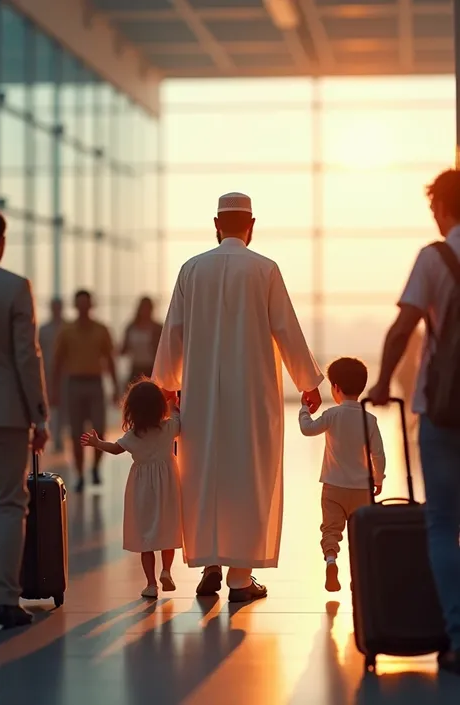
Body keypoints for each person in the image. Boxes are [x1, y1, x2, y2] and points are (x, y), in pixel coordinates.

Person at [152, 192, 323, 603]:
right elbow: (286, 329)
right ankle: (241, 579)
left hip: (202, 399)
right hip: (252, 395)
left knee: (204, 473)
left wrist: (167, 384)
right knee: (249, 477)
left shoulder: (191, 270)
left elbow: (173, 331)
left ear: (216, 224)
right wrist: (308, 382)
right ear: (251, 224)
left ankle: (210, 562)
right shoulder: (264, 270)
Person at [369, 169, 460, 675]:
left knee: (444, 524)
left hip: (445, 410)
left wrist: (382, 383)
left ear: (442, 208)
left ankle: (458, 637)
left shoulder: (435, 257)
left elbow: (403, 325)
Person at [0, 207, 49, 629]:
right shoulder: (13, 287)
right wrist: (39, 416)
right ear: (1, 242)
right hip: (6, 411)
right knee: (10, 503)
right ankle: (8, 600)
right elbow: (27, 356)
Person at [80, 379, 181, 599]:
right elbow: (177, 416)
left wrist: (97, 443)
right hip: (168, 486)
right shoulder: (168, 428)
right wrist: (172, 401)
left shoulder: (134, 436)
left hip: (142, 488)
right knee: (166, 531)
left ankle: (151, 584)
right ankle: (166, 570)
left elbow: (116, 449)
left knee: (147, 536)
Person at [299, 357, 386, 592]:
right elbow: (378, 453)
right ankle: (357, 577)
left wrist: (304, 410)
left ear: (335, 387)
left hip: (333, 487)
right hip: (361, 489)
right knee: (360, 536)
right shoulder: (369, 419)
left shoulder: (332, 415)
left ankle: (331, 560)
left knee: (331, 530)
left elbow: (308, 429)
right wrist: (378, 478)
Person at [52, 290, 119, 493]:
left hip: (95, 382)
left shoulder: (101, 330)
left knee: (99, 428)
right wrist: (53, 390)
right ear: (75, 305)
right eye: (79, 304)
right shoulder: (67, 330)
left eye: (86, 304)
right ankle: (80, 474)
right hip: (74, 383)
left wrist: (115, 387)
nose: (83, 308)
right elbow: (57, 362)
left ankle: (96, 467)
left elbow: (110, 359)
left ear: (91, 305)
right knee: (76, 432)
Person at [39, 297, 67, 453]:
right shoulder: (44, 330)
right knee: (51, 404)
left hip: (65, 372)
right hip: (47, 372)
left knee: (62, 405)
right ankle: (53, 435)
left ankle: (58, 436)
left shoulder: (67, 327)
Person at [121, 297, 163, 386]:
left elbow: (162, 350)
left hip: (151, 368)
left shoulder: (157, 328)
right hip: (135, 368)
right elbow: (123, 349)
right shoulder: (131, 327)